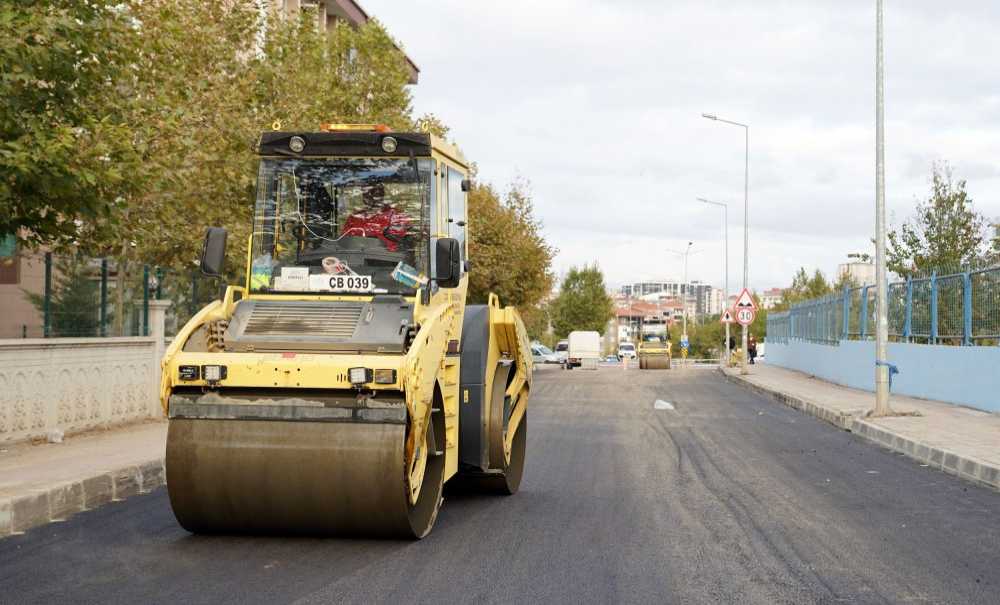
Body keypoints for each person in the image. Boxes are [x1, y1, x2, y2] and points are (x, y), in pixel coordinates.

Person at [342, 182, 411, 251]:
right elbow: (344, 242)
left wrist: (375, 237)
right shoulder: (354, 218)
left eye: (373, 192)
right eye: (365, 193)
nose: (369, 196)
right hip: (355, 257)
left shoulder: (396, 216)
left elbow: (401, 244)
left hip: (386, 258)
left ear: (381, 194)